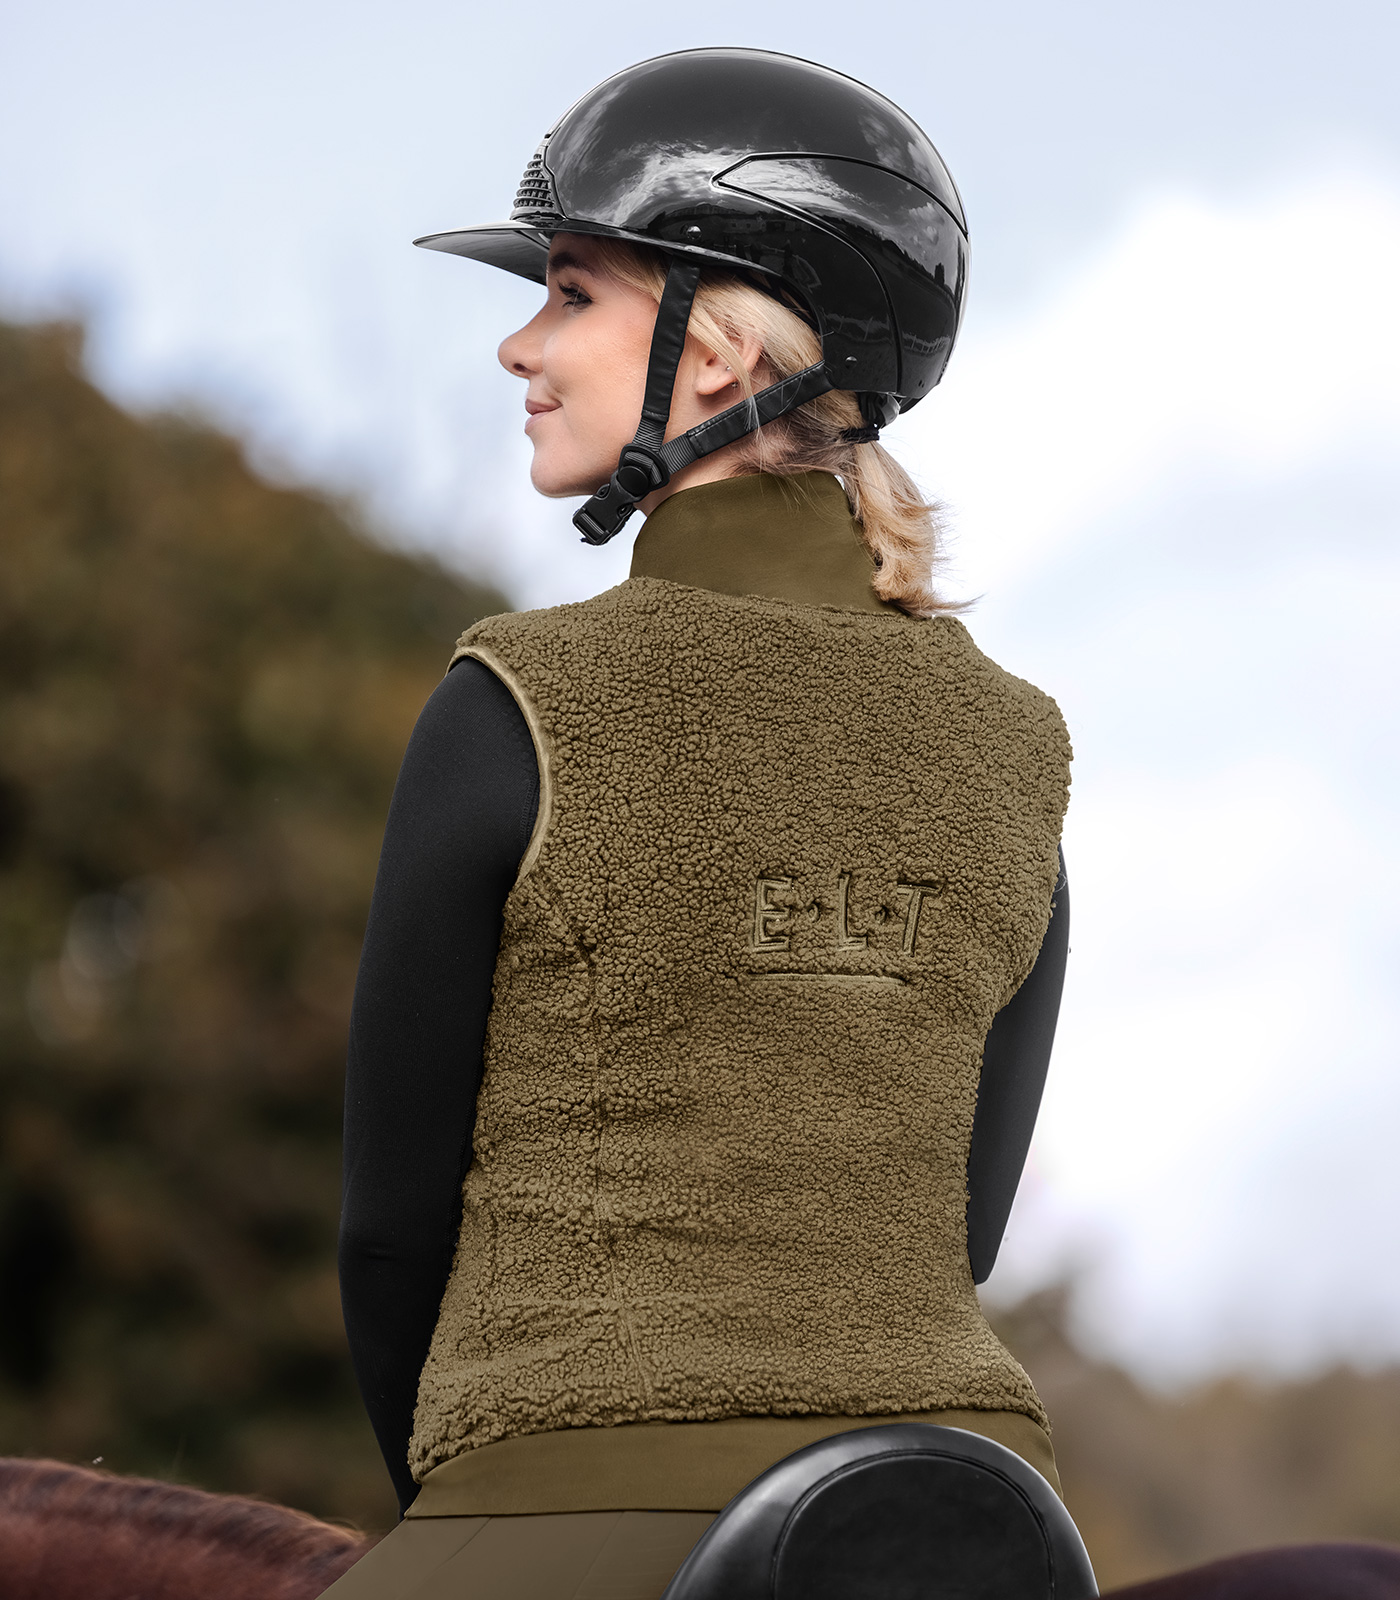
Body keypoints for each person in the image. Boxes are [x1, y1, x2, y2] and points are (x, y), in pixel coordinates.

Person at [328, 47, 1072, 1600]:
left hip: (569, 1499)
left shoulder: (521, 701)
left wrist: (479, 1505)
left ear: (722, 355)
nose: (520, 345)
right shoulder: (1019, 744)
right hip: (976, 1523)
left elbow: (391, 1235)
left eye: (569, 293)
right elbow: (962, 1232)